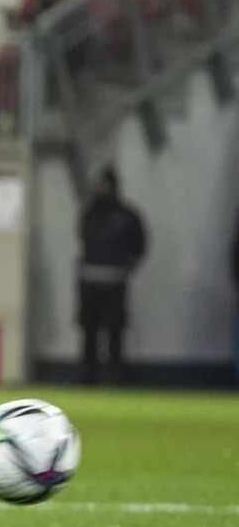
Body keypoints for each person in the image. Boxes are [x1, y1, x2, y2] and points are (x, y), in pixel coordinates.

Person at [77, 165, 146, 385]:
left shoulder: (126, 215)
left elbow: (140, 245)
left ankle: (116, 377)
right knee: (89, 332)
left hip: (114, 280)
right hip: (90, 279)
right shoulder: (90, 213)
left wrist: (127, 266)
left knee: (115, 332)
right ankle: (89, 376)